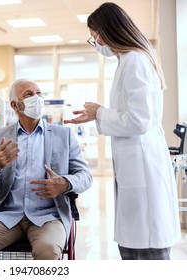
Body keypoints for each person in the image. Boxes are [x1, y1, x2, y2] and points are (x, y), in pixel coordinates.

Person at [64, 2, 181, 260]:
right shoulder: (130, 60)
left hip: (144, 171)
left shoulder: (134, 61)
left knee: (146, 251)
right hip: (137, 168)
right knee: (135, 246)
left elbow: (139, 121)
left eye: (96, 36)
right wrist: (97, 115)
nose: (96, 43)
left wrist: (100, 113)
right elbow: (134, 116)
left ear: (110, 31)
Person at [0, 79, 92, 260]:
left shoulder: (64, 135)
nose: (37, 98)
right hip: (7, 214)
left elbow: (86, 176)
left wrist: (64, 184)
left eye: (39, 93)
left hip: (48, 216)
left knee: (47, 249)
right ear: (15, 105)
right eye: (29, 95)